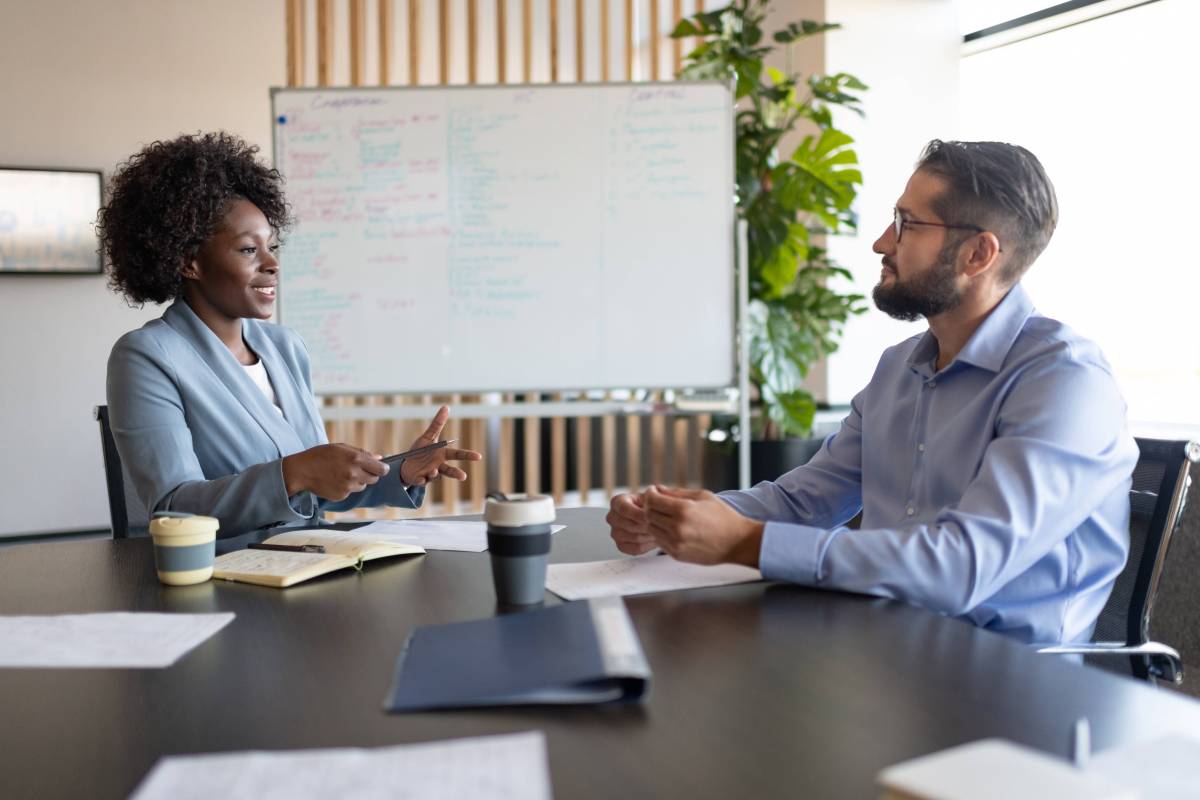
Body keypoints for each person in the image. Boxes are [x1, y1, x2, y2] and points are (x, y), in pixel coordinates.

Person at [608, 140, 1138, 646]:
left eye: (908, 224)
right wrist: (679, 522)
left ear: (978, 254)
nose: (883, 242)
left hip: (1013, 680)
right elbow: (807, 499)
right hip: (883, 640)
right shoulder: (898, 368)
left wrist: (743, 542)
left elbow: (959, 568)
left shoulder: (1067, 383)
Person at [101, 132, 480, 539]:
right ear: (189, 262)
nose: (273, 263)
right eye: (249, 250)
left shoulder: (284, 346)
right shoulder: (147, 356)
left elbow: (314, 493)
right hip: (227, 577)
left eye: (272, 246)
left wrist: (400, 471)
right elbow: (174, 512)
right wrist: (294, 472)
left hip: (310, 563)